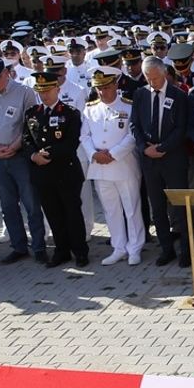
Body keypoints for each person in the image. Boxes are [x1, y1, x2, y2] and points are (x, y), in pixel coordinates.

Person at [0, 57, 47, 264]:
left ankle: (39, 246)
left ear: (7, 73)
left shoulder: (25, 92)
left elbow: (30, 125)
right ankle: (19, 246)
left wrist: (15, 146)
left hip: (21, 156)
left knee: (31, 203)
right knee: (7, 206)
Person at [23, 71, 88, 268]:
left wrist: (47, 154)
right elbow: (26, 139)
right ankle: (61, 250)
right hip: (42, 174)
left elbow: (71, 143)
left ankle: (80, 251)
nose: (44, 95)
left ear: (57, 89)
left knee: (72, 213)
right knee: (53, 213)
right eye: (41, 91)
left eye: (48, 90)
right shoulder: (32, 113)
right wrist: (34, 155)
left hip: (65, 172)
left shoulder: (69, 113)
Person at [81, 66, 144, 266]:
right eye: (99, 87)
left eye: (106, 86)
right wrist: (94, 154)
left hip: (124, 165)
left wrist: (114, 154)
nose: (102, 91)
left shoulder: (128, 106)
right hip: (100, 167)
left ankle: (135, 248)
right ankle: (119, 247)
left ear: (116, 84)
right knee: (111, 210)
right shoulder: (90, 108)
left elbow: (133, 135)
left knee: (131, 208)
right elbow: (84, 135)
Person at [131, 56, 191, 267]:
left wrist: (162, 148)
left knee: (180, 205)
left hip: (172, 158)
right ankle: (166, 249)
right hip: (149, 159)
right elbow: (134, 126)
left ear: (164, 74)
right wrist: (144, 148)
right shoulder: (140, 95)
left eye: (155, 78)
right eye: (148, 78)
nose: (152, 82)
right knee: (157, 206)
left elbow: (181, 128)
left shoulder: (179, 96)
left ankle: (186, 250)